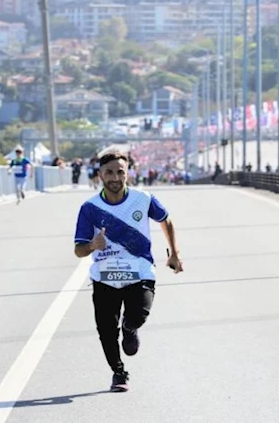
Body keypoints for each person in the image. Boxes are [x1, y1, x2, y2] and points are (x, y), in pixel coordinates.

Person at [73, 151, 183, 392]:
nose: (115, 177)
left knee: (138, 314)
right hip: (105, 276)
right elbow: (78, 250)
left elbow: (166, 220)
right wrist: (93, 245)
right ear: (100, 175)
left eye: (120, 172)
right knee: (105, 329)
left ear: (128, 173)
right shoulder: (90, 208)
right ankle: (118, 373)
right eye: (109, 172)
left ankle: (130, 328)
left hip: (140, 271)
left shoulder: (143, 199)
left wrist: (174, 253)